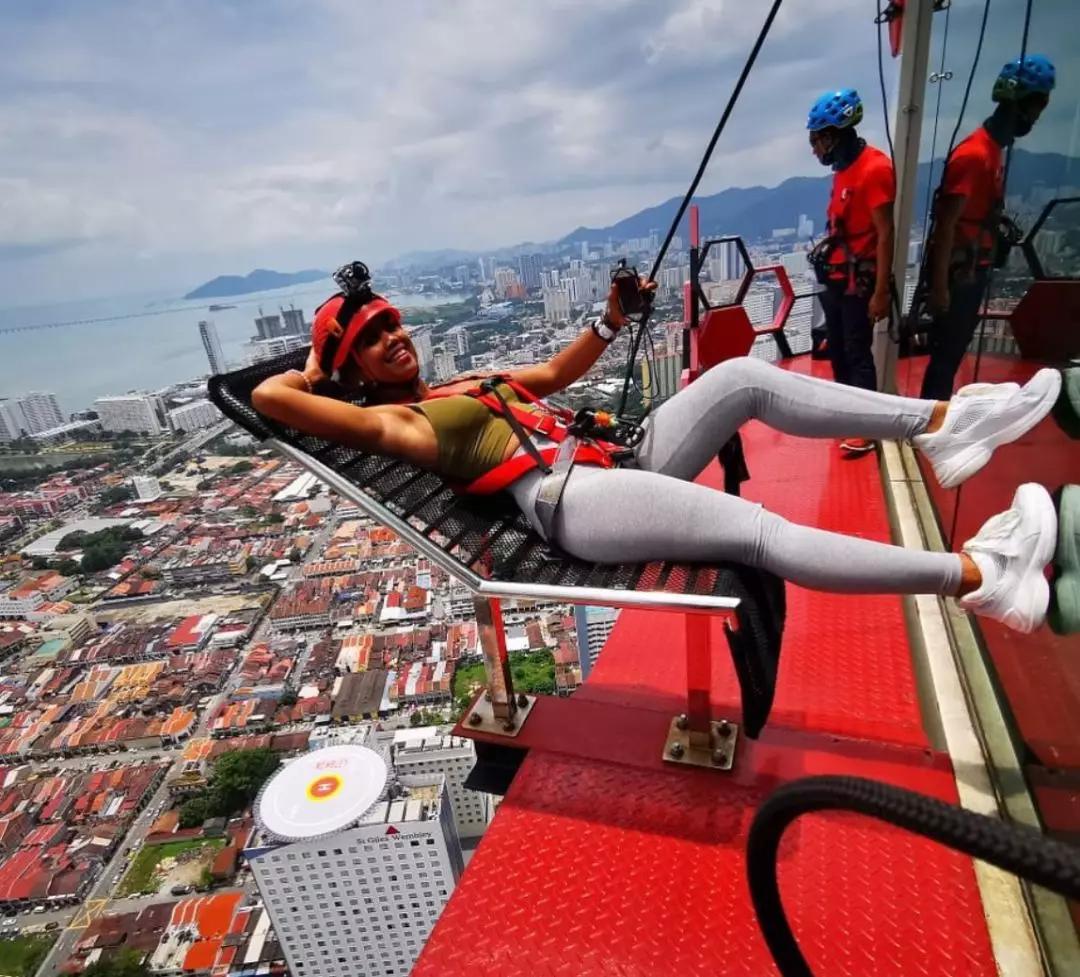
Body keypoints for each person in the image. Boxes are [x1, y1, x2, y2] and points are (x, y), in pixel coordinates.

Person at [253, 268, 1063, 635]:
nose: (393, 338)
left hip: (614, 465)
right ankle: (982, 577)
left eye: (392, 323)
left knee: (746, 375)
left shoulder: (459, 383)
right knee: (759, 530)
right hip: (574, 502)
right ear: (353, 368)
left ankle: (945, 423)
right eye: (370, 338)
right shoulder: (403, 425)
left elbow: (555, 372)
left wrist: (609, 318)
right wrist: (318, 369)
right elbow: (270, 398)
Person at [921, 54, 1056, 400]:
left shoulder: (992, 153)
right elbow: (945, 226)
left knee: (951, 353)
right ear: (1020, 104)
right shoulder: (975, 156)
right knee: (946, 355)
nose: (1036, 120)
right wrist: (939, 290)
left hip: (970, 268)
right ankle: (930, 424)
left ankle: (934, 418)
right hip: (959, 272)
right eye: (1036, 108)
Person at [806, 88, 896, 455]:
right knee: (839, 351)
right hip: (837, 280)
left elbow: (885, 232)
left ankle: (868, 427)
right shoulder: (844, 171)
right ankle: (849, 418)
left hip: (859, 282)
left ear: (835, 134)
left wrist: (880, 291)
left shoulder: (874, 169)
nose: (816, 150)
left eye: (818, 140)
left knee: (858, 352)